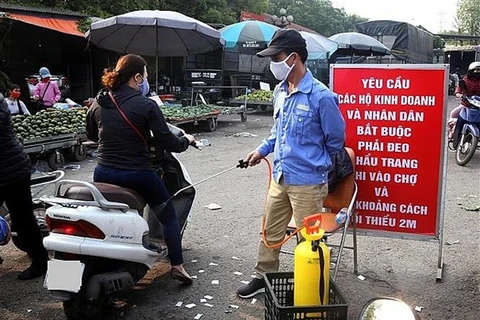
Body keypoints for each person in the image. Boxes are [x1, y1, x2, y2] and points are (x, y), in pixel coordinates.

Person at [236, 29, 346, 299]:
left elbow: (336, 140)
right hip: (281, 177)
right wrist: (261, 150)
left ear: (293, 58)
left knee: (307, 240)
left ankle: (307, 284)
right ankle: (264, 276)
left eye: (277, 57)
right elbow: (278, 131)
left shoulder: (322, 97)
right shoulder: (280, 92)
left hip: (308, 183)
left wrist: (311, 160)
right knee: (271, 230)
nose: (272, 63)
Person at [86, 54, 195, 285]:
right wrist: (186, 140)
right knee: (168, 216)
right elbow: (168, 141)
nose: (146, 81)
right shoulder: (147, 105)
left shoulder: (98, 102)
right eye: (145, 77)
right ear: (137, 78)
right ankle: (177, 266)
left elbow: (92, 135)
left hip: (103, 172)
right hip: (137, 174)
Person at [0, 93, 49, 280]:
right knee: (23, 219)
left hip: (11, 170)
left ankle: (41, 263)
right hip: (10, 167)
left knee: (23, 220)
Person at [448, 62, 480, 140]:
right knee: (453, 114)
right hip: (466, 104)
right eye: (475, 70)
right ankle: (452, 131)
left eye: (479, 70)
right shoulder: (465, 81)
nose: (477, 72)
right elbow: (457, 91)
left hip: (479, 107)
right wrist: (460, 95)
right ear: (470, 71)